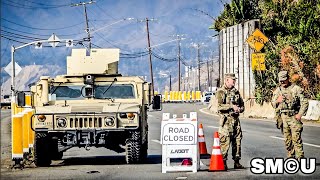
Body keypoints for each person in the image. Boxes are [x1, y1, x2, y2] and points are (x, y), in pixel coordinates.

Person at [271, 71, 308, 159]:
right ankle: (291, 157)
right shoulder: (278, 91)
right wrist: (277, 101)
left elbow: (305, 102)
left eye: (284, 80)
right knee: (287, 140)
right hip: (283, 117)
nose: (282, 82)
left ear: (288, 78)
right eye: (281, 81)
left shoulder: (296, 89)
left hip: (293, 117)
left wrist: (300, 114)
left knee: (296, 139)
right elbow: (273, 104)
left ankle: (300, 158)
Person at [216, 73, 245, 170]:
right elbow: (219, 107)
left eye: (234, 80)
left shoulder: (236, 92)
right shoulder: (221, 92)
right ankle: (223, 162)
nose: (234, 82)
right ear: (227, 80)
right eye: (233, 80)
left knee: (237, 141)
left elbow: (242, 105)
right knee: (225, 141)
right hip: (226, 121)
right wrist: (231, 106)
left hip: (235, 120)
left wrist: (240, 109)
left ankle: (237, 161)